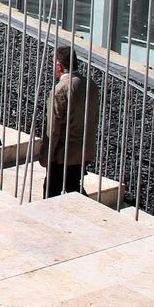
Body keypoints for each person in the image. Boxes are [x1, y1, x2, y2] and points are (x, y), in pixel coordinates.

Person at [42, 45, 99, 198]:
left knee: (51, 190)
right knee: (72, 185)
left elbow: (53, 129)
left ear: (59, 66)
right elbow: (94, 119)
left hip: (64, 154)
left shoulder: (60, 89)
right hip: (84, 150)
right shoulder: (91, 85)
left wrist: (46, 155)